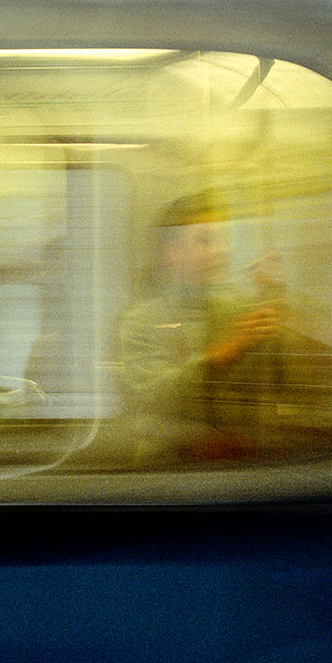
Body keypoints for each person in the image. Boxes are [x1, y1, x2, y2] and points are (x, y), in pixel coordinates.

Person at [118, 193, 287, 463]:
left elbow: (276, 381)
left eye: (223, 239)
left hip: (238, 469)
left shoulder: (234, 309)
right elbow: (156, 399)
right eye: (206, 240)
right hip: (165, 469)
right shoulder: (141, 322)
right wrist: (222, 354)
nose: (221, 251)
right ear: (172, 253)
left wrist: (275, 297)